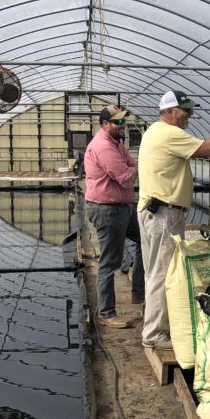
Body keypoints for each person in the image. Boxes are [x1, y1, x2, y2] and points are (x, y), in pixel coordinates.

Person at [137, 90, 210, 350]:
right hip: (164, 213)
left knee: (155, 273)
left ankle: (156, 326)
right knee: (163, 274)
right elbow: (207, 149)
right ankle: (154, 334)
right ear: (169, 111)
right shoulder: (169, 133)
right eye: (185, 110)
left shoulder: (153, 131)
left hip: (153, 211)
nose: (190, 114)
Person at [84, 105, 145, 328]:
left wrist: (133, 169)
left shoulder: (117, 143)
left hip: (123, 207)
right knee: (110, 262)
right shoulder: (103, 147)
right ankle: (107, 313)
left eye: (123, 121)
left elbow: (133, 165)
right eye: (118, 122)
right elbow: (127, 179)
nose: (123, 125)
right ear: (105, 124)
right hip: (107, 210)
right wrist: (133, 170)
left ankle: (139, 291)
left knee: (145, 240)